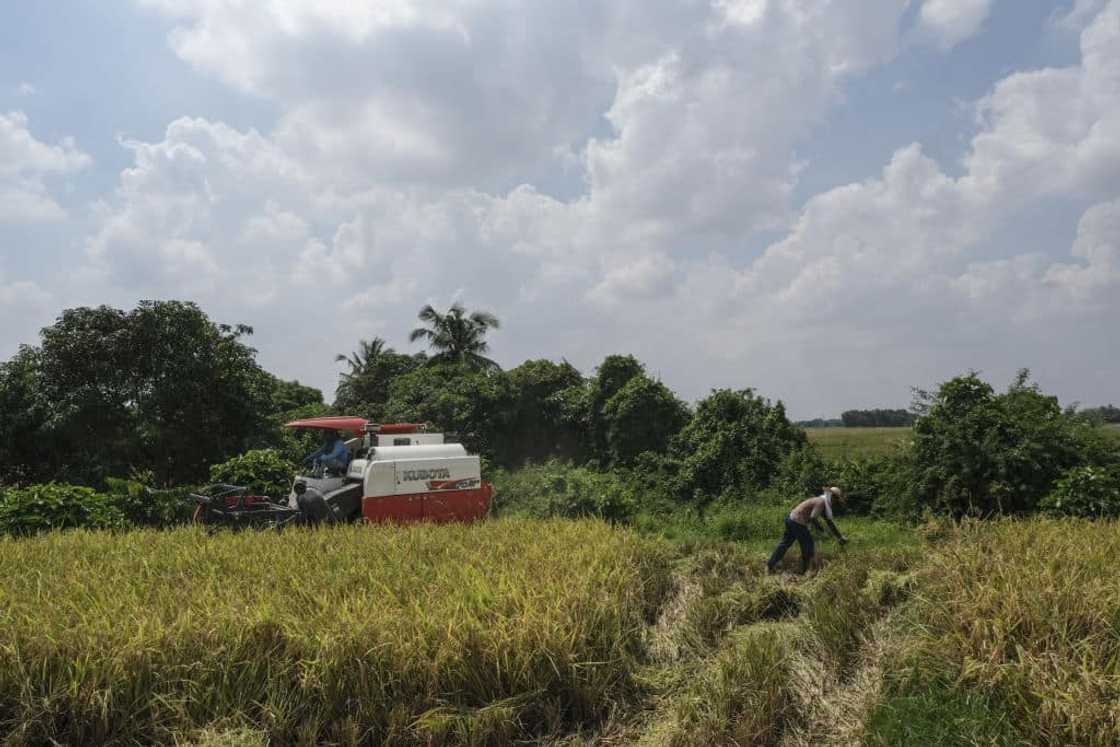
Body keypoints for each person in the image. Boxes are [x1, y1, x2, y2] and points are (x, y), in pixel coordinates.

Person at [766, 486, 847, 574]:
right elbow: (813, 517)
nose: (835, 501)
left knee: (785, 544)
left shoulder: (821, 502)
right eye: (835, 498)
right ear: (831, 496)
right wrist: (820, 530)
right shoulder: (821, 502)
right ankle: (805, 570)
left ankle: (770, 565)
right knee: (808, 545)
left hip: (791, 519)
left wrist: (839, 537)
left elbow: (829, 522)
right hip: (797, 522)